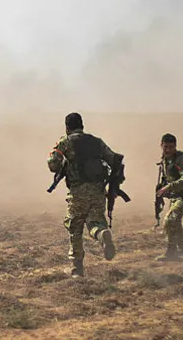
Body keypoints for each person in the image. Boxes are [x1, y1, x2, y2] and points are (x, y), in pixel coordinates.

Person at [46, 112, 118, 278]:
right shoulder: (97, 142)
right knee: (95, 222)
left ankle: (77, 268)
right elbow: (113, 160)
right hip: (98, 191)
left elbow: (53, 164)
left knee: (75, 227)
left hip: (78, 192)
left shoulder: (66, 141)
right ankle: (102, 234)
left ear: (67, 127)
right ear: (82, 125)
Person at [155, 133, 183, 261]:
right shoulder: (165, 159)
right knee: (175, 221)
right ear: (161, 146)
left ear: (175, 146)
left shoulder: (180, 159)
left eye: (171, 147)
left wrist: (169, 187)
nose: (168, 150)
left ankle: (171, 252)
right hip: (176, 196)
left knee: (170, 220)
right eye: (165, 147)